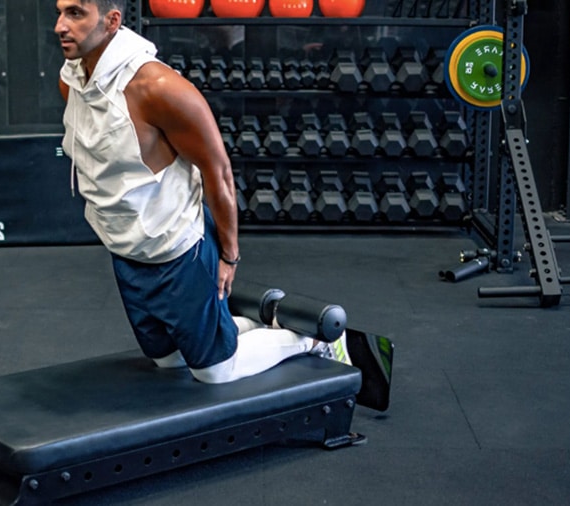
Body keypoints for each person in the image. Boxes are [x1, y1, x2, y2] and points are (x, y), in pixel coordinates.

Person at [54, 0, 349, 384]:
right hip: (125, 247)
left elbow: (218, 171)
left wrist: (229, 256)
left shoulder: (158, 88)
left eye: (75, 13)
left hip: (177, 247)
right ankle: (237, 323)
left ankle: (313, 339)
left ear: (112, 21)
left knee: (214, 371)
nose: (61, 25)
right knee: (169, 360)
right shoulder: (72, 80)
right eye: (59, 12)